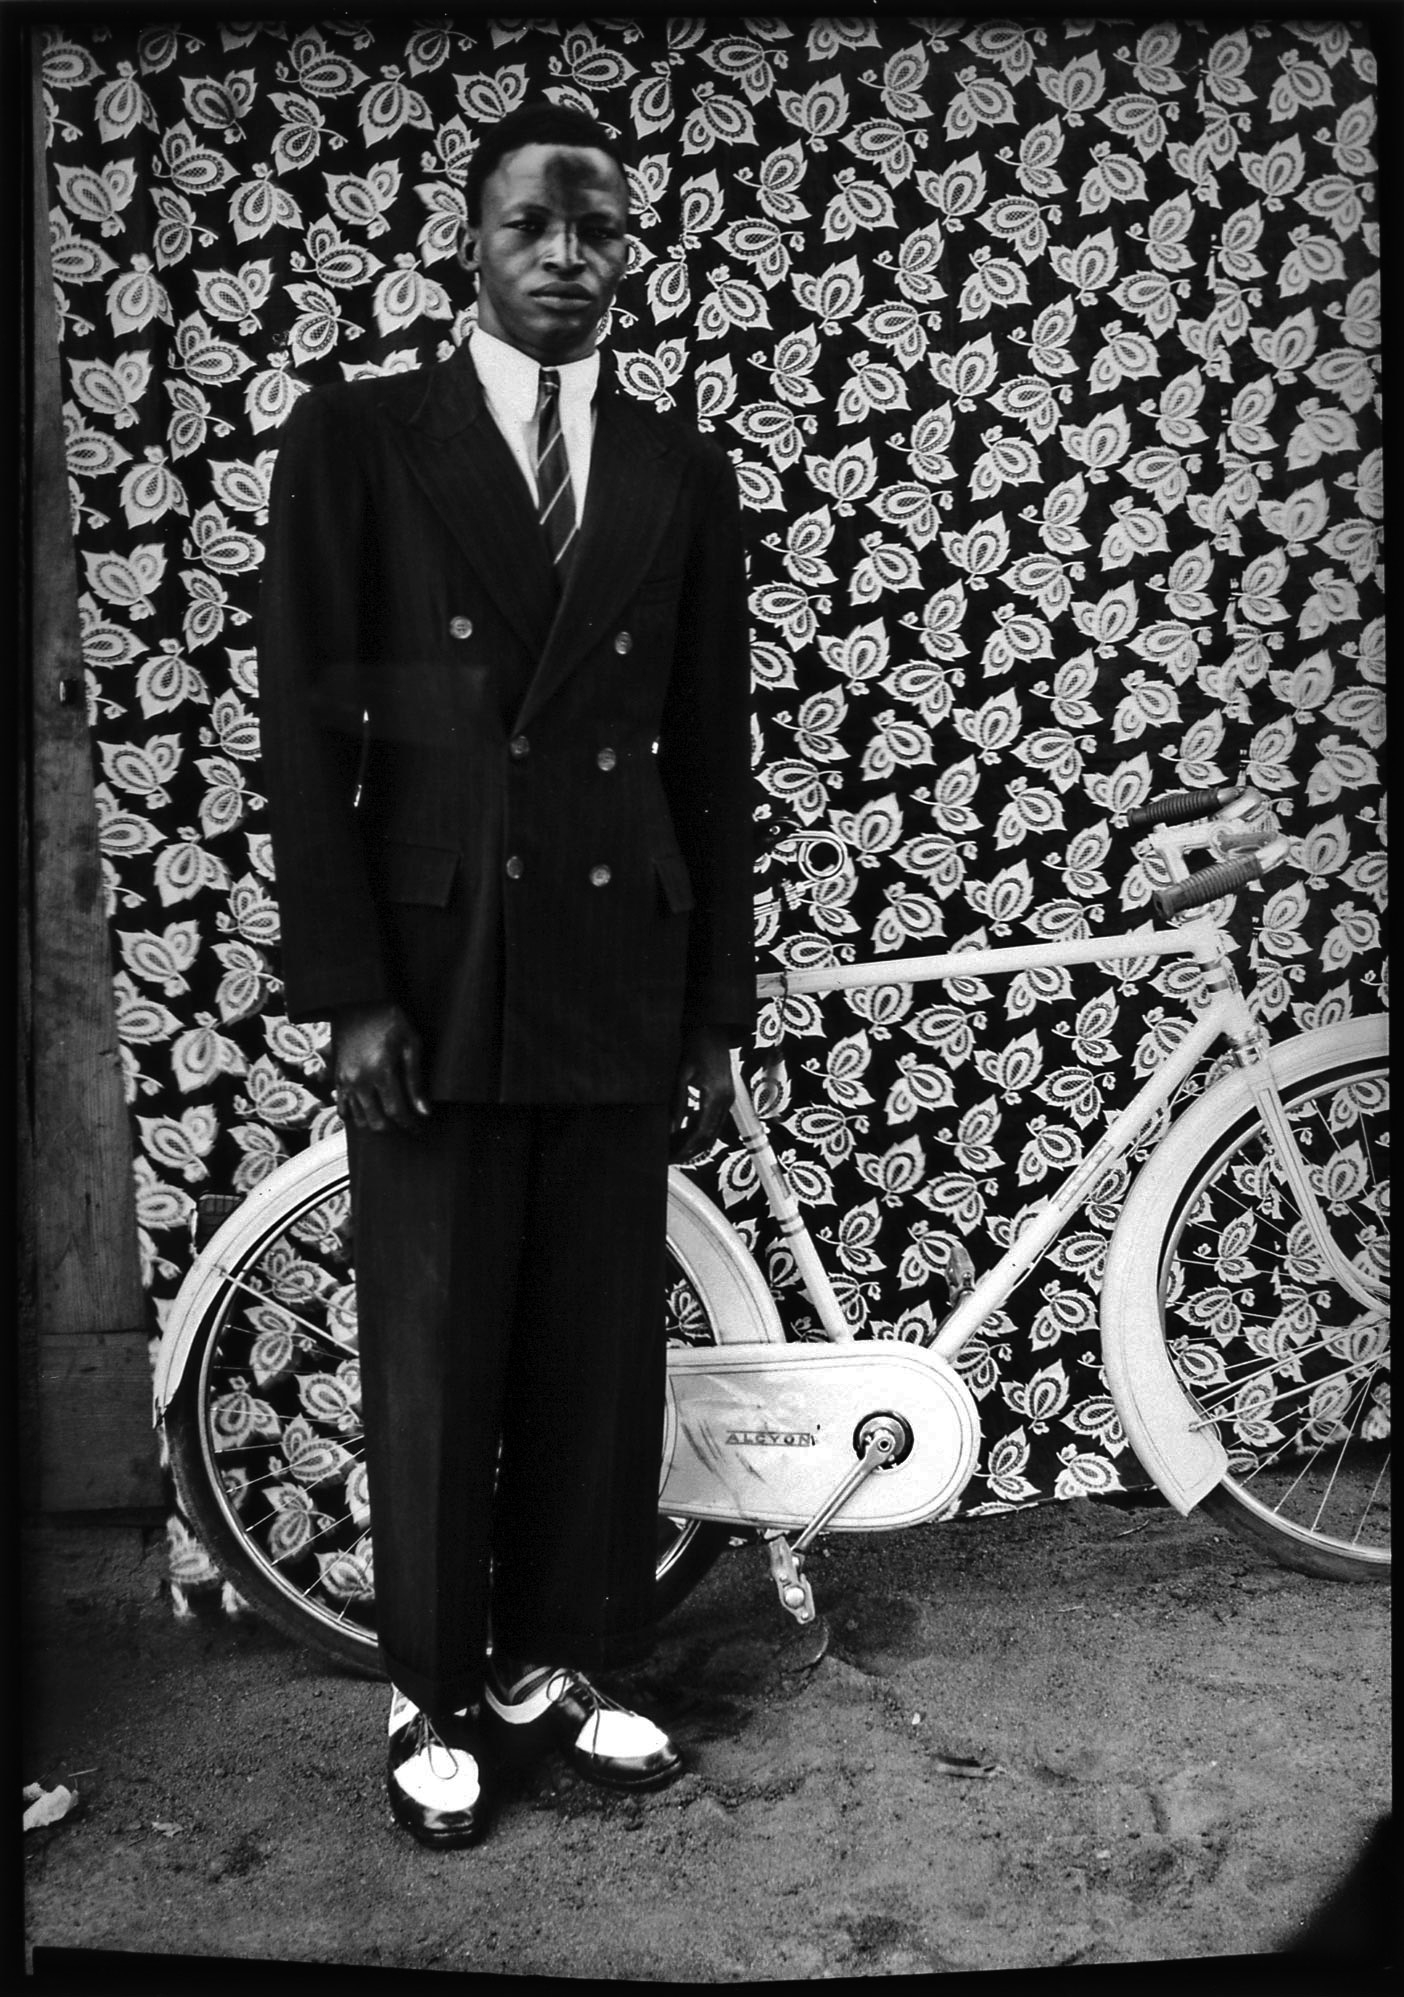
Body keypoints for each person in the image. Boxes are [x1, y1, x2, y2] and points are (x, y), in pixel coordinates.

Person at [259, 100, 755, 1849]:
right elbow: (310, 730)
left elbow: (711, 757)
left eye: (598, 228)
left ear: (633, 253)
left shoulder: (681, 470)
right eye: (533, 223)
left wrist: (716, 1011)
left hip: (623, 959)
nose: (566, 256)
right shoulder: (361, 439)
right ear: (466, 240)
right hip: (438, 965)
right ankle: (434, 1685)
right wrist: (350, 991)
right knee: (439, 1344)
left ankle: (570, 1657)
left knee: (596, 1346)